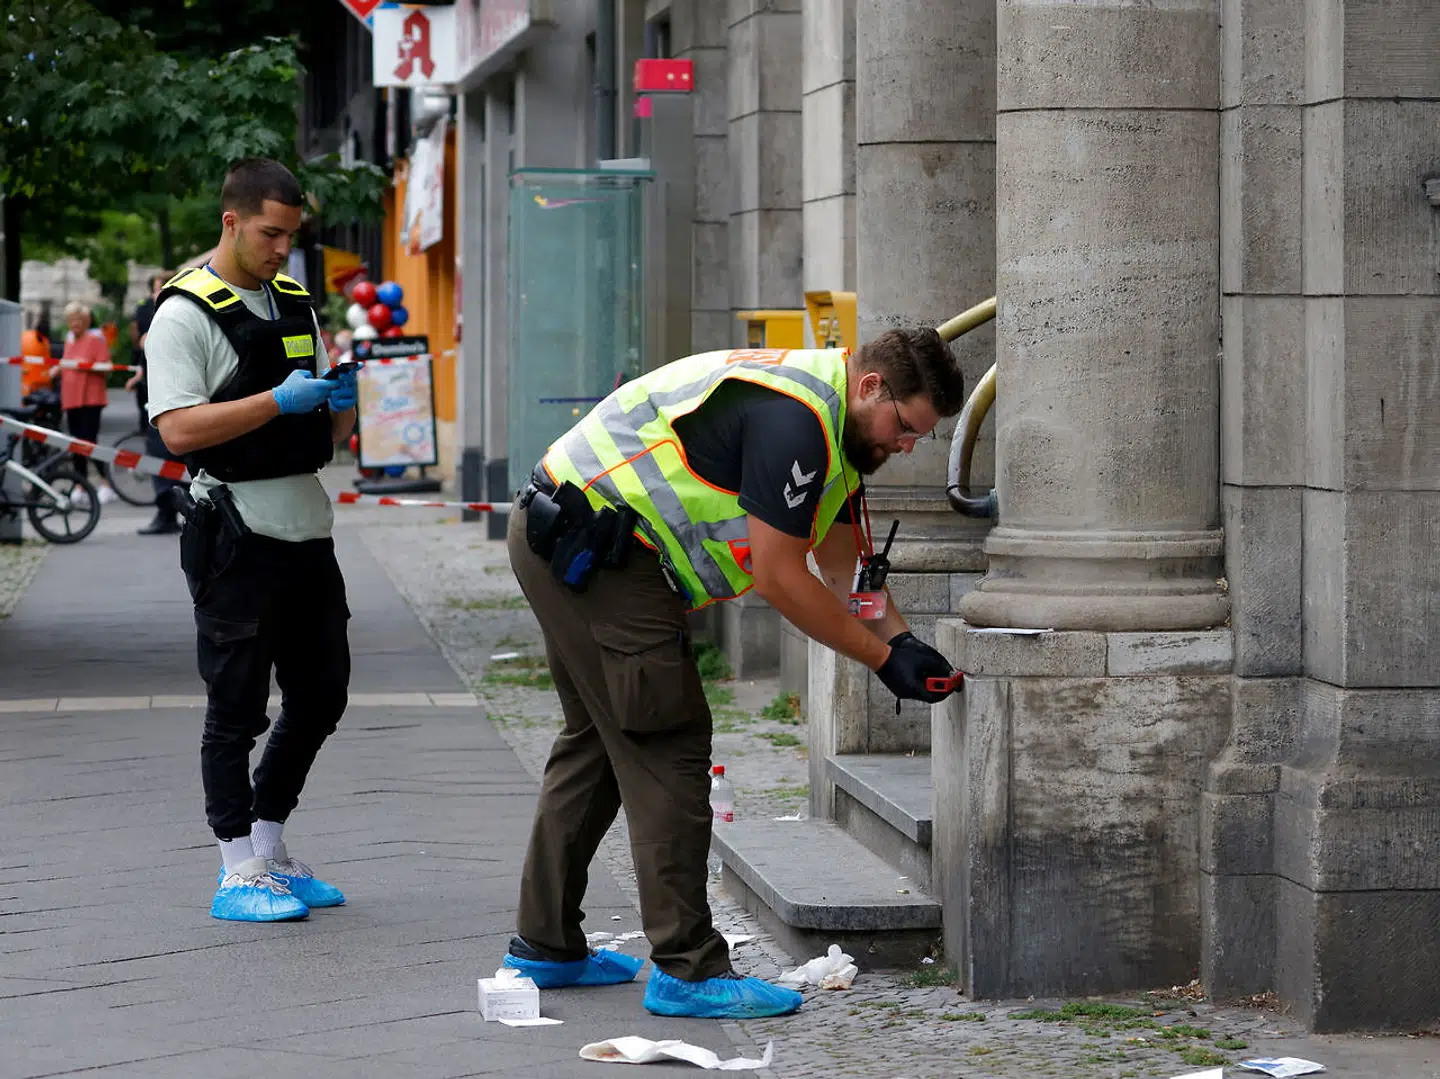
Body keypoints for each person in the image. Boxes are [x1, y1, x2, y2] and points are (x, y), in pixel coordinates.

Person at [503, 332, 966, 1018]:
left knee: (599, 741)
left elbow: (842, 565)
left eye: (919, 439)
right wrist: (877, 659)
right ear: (871, 387)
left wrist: (901, 640)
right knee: (669, 742)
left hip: (570, 540)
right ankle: (687, 969)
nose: (906, 447)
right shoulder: (798, 423)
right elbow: (781, 578)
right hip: (600, 553)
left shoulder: (834, 427)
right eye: (905, 428)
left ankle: (546, 945)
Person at [145, 158, 359, 923]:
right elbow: (176, 427)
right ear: (231, 220)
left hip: (307, 525)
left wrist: (343, 404)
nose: (281, 250)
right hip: (235, 530)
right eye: (270, 234)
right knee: (235, 704)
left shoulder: (295, 303)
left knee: (322, 692)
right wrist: (276, 400)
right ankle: (235, 864)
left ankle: (269, 843)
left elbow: (328, 432)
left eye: (291, 236)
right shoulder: (184, 315)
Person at [126, 272, 186, 535]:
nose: (153, 295)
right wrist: (140, 374)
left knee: (170, 454)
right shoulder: (157, 313)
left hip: (176, 399)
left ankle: (178, 511)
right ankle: (168, 512)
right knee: (160, 454)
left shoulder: (180, 315)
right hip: (157, 397)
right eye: (154, 290)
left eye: (159, 289)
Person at [59, 302, 119, 505]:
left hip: (91, 398)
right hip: (71, 398)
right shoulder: (69, 341)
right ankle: (80, 485)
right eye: (71, 320)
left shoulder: (95, 340)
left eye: (79, 320)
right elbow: (66, 363)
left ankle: (105, 485)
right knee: (76, 443)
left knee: (90, 442)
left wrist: (86, 366)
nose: (75, 324)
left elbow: (106, 367)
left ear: (86, 322)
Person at [19, 316, 52, 398]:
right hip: (28, 378)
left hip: (38, 379)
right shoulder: (26, 338)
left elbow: (46, 360)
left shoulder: (44, 341)